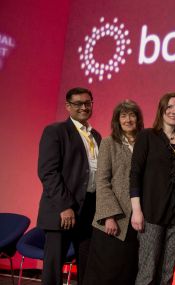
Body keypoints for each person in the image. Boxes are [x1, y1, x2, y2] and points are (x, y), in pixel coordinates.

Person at [37, 87, 101, 285]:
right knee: (54, 270)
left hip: (89, 210)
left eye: (87, 103)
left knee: (88, 267)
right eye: (78, 104)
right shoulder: (55, 131)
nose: (83, 107)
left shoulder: (96, 136)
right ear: (67, 106)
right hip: (62, 210)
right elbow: (48, 172)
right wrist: (65, 206)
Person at [130, 92, 175, 285]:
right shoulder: (147, 136)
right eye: (170, 107)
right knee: (147, 272)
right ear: (162, 110)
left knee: (166, 274)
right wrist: (137, 211)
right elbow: (135, 174)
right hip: (151, 215)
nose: (174, 111)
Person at [83, 100, 144, 285]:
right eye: (123, 115)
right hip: (113, 221)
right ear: (117, 119)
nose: (128, 119)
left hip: (137, 218)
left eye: (132, 115)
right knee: (105, 273)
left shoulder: (145, 143)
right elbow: (102, 181)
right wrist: (109, 216)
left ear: (138, 118)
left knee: (128, 272)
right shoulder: (109, 143)